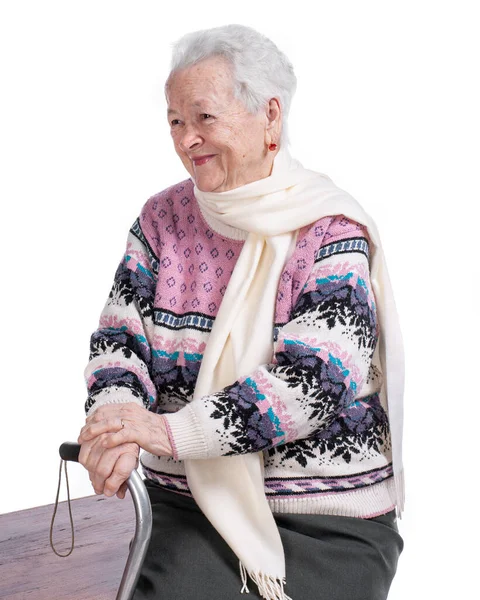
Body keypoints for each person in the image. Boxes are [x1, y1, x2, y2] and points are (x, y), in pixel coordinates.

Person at [78, 24, 404, 600]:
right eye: (175, 121)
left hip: (325, 523)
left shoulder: (331, 231)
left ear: (270, 116)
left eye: (205, 117)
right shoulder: (161, 220)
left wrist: (169, 432)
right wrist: (118, 422)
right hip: (181, 508)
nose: (187, 139)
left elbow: (313, 384)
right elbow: (117, 340)